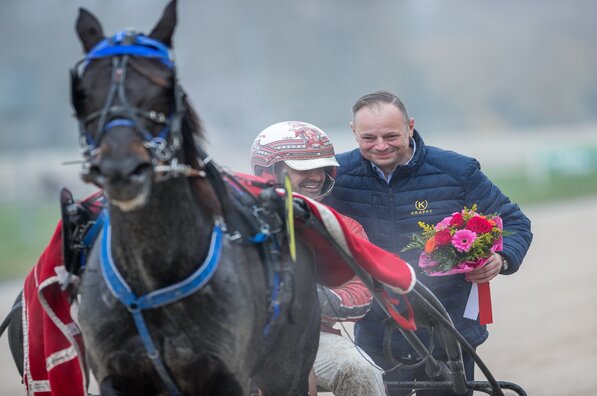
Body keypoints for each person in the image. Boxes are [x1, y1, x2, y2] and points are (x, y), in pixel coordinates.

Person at [325, 90, 533, 396]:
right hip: (376, 329)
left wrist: (500, 259)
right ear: (353, 131)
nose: (380, 145)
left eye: (391, 135)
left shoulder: (457, 171)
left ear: (410, 126)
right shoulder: (334, 176)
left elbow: (515, 223)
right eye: (369, 137)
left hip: (448, 329)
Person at [251, 121, 387, 396]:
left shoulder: (344, 228)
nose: (315, 176)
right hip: (245, 339)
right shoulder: (240, 221)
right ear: (269, 170)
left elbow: (363, 291)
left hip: (315, 338)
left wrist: (314, 298)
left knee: (362, 371)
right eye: (302, 169)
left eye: (321, 168)